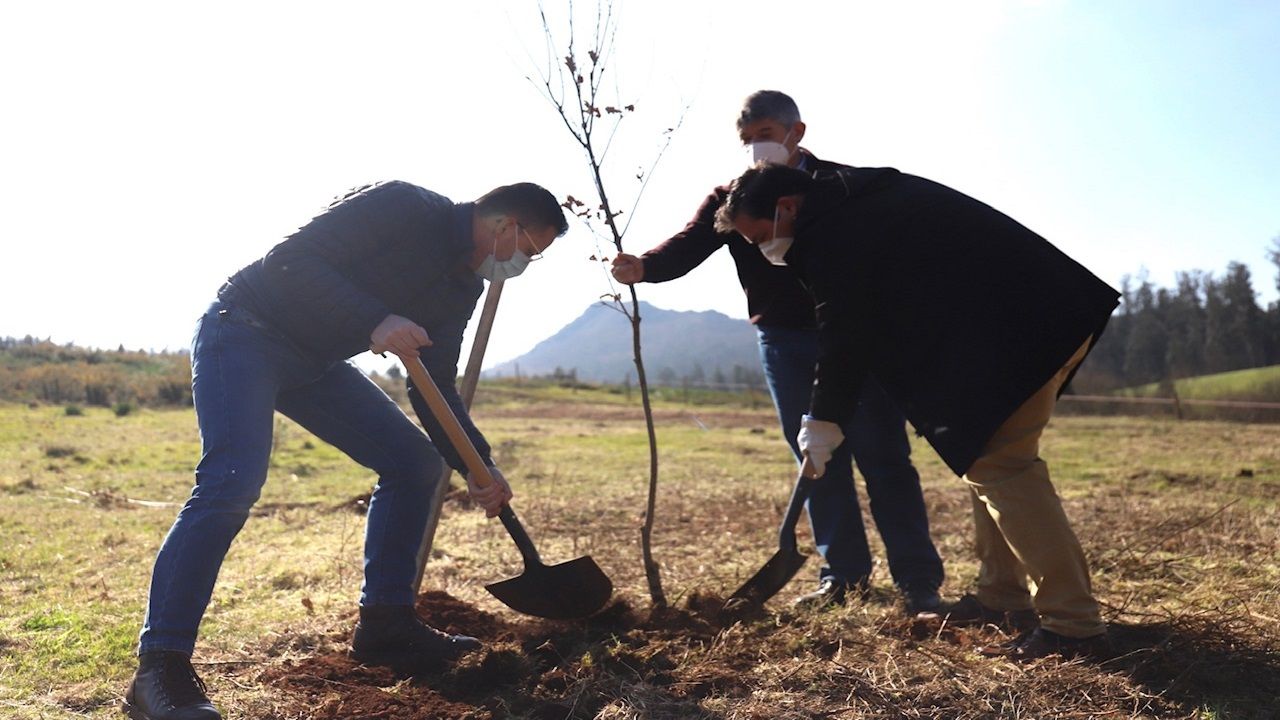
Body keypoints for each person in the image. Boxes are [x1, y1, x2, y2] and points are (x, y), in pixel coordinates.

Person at [123, 180, 569, 720]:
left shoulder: (460, 288)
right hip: (243, 330)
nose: (522, 263)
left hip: (317, 364)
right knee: (231, 483)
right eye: (529, 250)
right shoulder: (403, 206)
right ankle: (160, 668)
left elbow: (435, 385)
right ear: (505, 226)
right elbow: (289, 262)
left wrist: (477, 462)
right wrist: (374, 320)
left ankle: (385, 626)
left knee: (416, 464)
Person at [715, 162, 1120, 660]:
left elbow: (845, 329)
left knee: (1002, 466)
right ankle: (1002, 595)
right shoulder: (856, 202)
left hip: (1025, 327)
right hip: (1036, 317)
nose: (762, 250)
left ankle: (1072, 626)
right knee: (989, 456)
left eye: (758, 236)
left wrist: (822, 418)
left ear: (787, 207)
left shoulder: (833, 232)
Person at [611, 90, 943, 611]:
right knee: (815, 458)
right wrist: (645, 266)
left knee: (885, 457)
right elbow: (690, 243)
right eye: (747, 140)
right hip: (785, 341)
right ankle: (844, 576)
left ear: (796, 132)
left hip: (858, 338)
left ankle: (918, 579)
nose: (757, 148)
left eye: (765, 135)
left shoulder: (839, 187)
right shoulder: (734, 197)